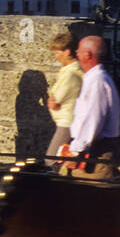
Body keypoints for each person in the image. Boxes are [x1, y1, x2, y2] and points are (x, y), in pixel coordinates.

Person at [60, 35, 120, 179]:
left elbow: (92, 119)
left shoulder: (97, 81)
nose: (76, 53)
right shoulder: (94, 79)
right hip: (94, 149)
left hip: (96, 153)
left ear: (88, 54)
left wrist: (76, 151)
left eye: (79, 50)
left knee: (91, 195)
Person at [43, 32, 82, 167]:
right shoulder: (74, 71)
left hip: (66, 123)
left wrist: (53, 101)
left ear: (67, 52)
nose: (56, 57)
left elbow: (55, 101)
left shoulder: (70, 75)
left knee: (51, 159)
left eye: (57, 53)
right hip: (70, 121)